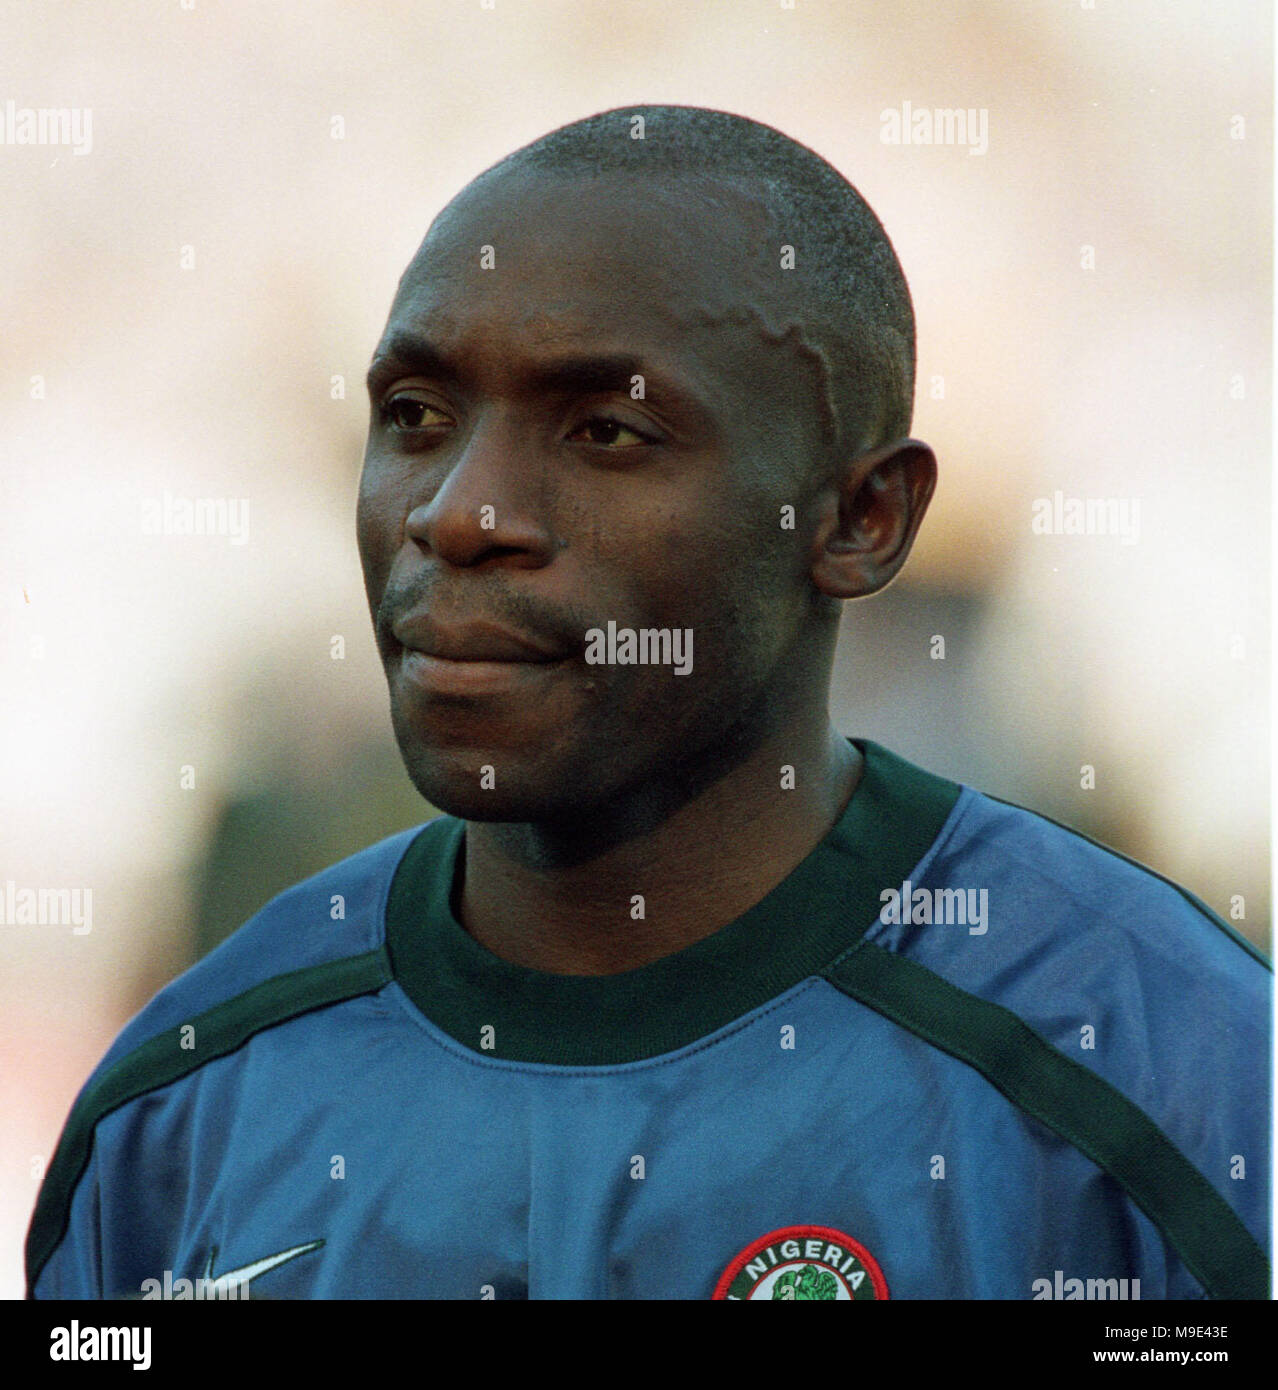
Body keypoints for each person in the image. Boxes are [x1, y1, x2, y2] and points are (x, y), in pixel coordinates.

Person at [27, 105, 1268, 1301]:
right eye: (415, 416)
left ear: (861, 519)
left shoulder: (1167, 1066)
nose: (457, 512)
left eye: (607, 431)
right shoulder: (185, 1104)